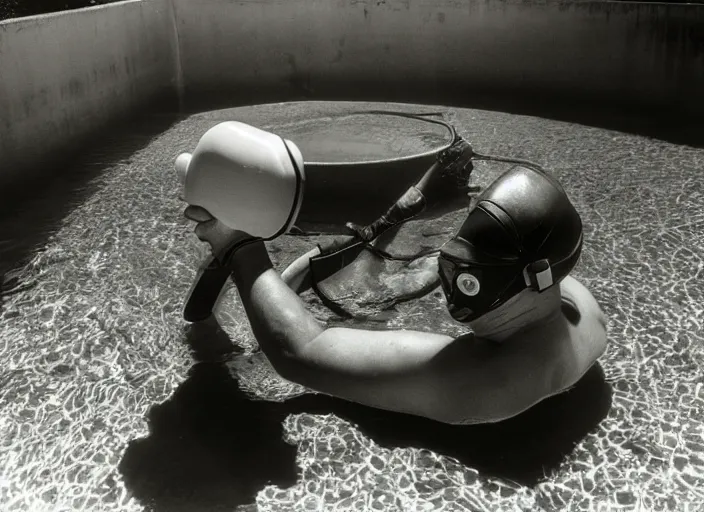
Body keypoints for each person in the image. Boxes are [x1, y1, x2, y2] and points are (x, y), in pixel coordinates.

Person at [183, 165, 608, 425]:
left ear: (535, 278)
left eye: (467, 272)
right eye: (452, 262)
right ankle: (407, 211)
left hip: (476, 406)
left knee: (228, 360)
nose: (452, 277)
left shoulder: (486, 382)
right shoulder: (580, 305)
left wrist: (239, 244)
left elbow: (300, 352)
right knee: (386, 281)